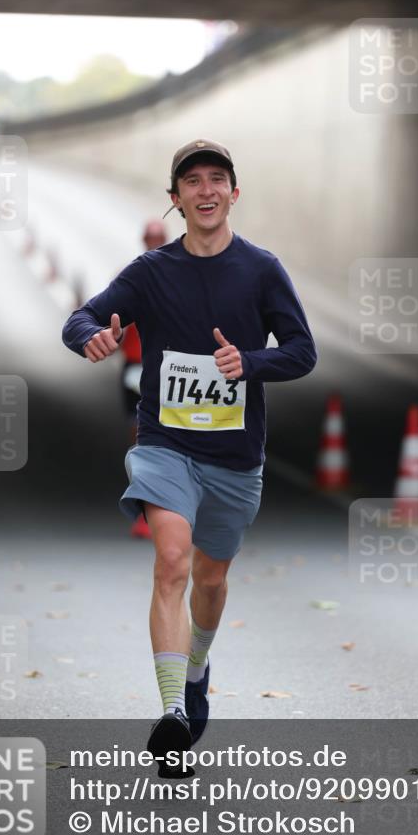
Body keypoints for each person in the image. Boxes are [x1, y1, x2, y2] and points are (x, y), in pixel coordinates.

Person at [62, 139, 316, 774]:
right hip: (165, 444)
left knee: (210, 579)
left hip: (234, 455)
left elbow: (302, 350)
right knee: (172, 561)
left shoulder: (261, 270)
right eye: (192, 182)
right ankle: (174, 712)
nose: (205, 190)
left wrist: (249, 362)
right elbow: (82, 317)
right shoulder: (152, 271)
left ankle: (196, 669)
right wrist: (92, 336)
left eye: (217, 180)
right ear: (174, 200)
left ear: (234, 193)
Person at [121, 219, 168, 540]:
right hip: (134, 366)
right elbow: (114, 319)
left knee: (164, 439)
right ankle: (145, 510)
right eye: (149, 239)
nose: (152, 243)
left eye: (157, 239)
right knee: (140, 438)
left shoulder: (176, 277)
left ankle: (162, 510)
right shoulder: (132, 276)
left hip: (165, 367)